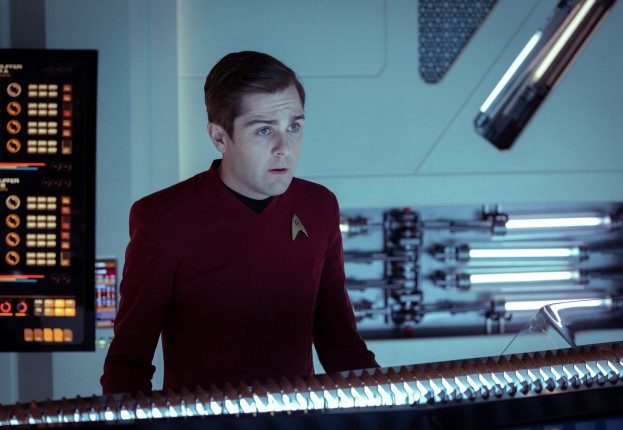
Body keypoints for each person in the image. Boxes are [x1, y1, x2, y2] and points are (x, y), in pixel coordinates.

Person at [101, 51, 378, 395]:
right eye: (263, 130)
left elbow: (340, 343)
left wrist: (394, 409)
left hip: (299, 417)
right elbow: (128, 365)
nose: (284, 148)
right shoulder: (163, 219)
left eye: (293, 126)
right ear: (219, 138)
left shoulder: (319, 206)